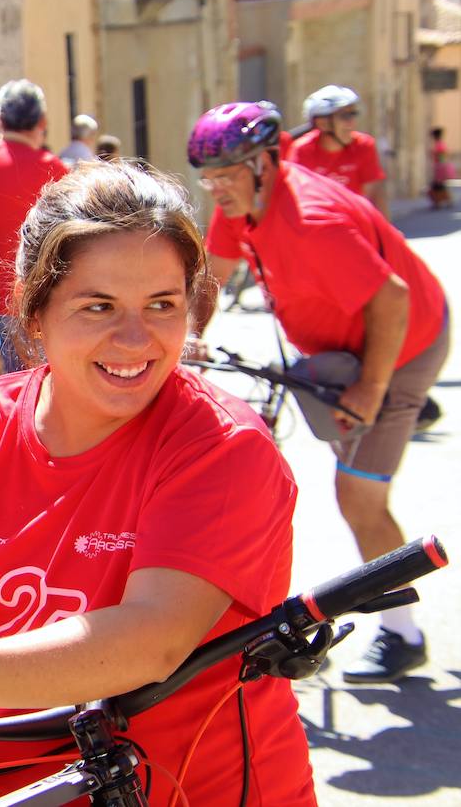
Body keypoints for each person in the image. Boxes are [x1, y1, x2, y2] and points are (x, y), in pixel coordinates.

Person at [0, 161, 317, 806]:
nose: (135, 337)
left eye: (162, 305)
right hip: (0, 788)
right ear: (34, 315)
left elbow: (152, 639)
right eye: (98, 306)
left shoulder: (221, 449)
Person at [192, 101, 449, 684]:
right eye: (206, 177)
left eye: (224, 175)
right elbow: (214, 273)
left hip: (403, 346)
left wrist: (372, 388)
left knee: (358, 499)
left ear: (262, 163)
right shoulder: (244, 203)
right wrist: (189, 334)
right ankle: (396, 416)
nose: (215, 189)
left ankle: (404, 636)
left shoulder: (313, 220)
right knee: (350, 472)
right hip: (339, 352)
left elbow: (394, 300)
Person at [0, 78, 67, 372]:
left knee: (20, 383)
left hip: (1, 300)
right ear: (43, 121)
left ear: (1, 120)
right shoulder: (53, 167)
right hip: (47, 298)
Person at [288, 85, 387, 215]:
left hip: (355, 223)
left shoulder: (363, 146)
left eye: (353, 115)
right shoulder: (302, 150)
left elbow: (375, 196)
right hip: (317, 224)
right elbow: (295, 198)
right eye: (345, 116)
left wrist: (385, 233)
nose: (351, 123)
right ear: (322, 123)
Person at [429, 126, 454, 209]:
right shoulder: (440, 144)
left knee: (437, 186)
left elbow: (442, 158)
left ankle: (439, 202)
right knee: (439, 186)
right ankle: (441, 202)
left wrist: (440, 168)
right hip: (441, 167)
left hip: (440, 168)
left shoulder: (439, 145)